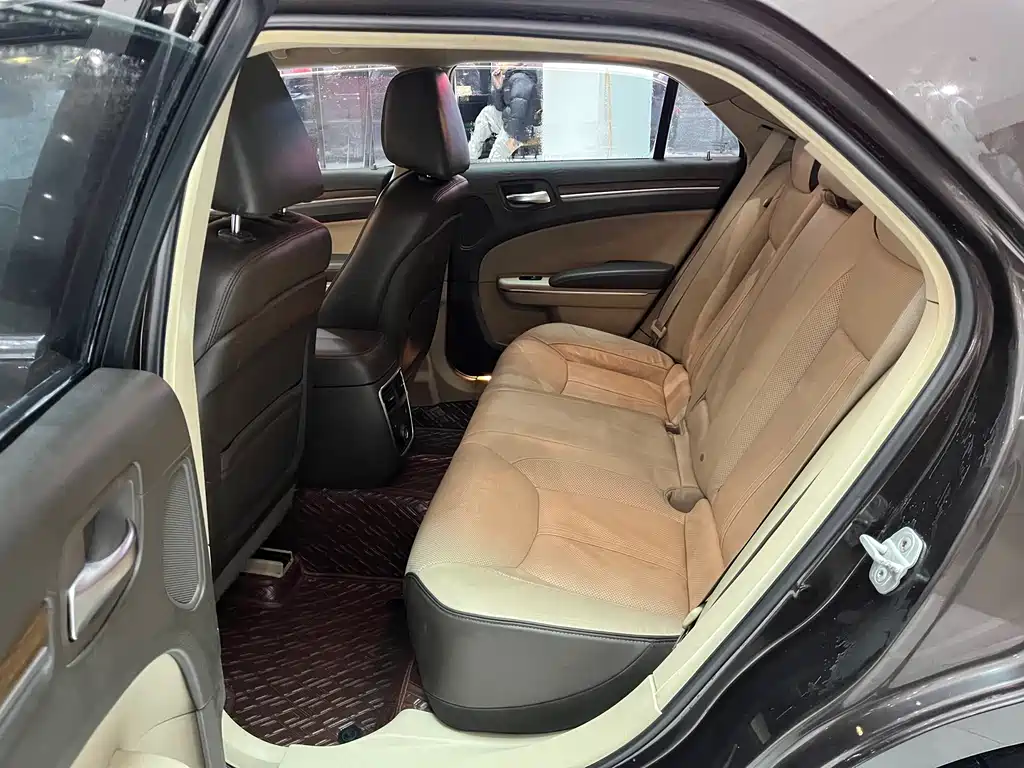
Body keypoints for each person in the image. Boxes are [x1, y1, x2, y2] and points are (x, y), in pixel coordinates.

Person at [467, 63, 539, 161]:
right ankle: (470, 157)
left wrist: (508, 142)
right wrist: (499, 87)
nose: (499, 63)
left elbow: (518, 116)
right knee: (487, 113)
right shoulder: (512, 77)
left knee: (496, 159)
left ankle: (489, 162)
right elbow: (499, 107)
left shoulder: (521, 80)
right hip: (510, 123)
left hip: (518, 131)